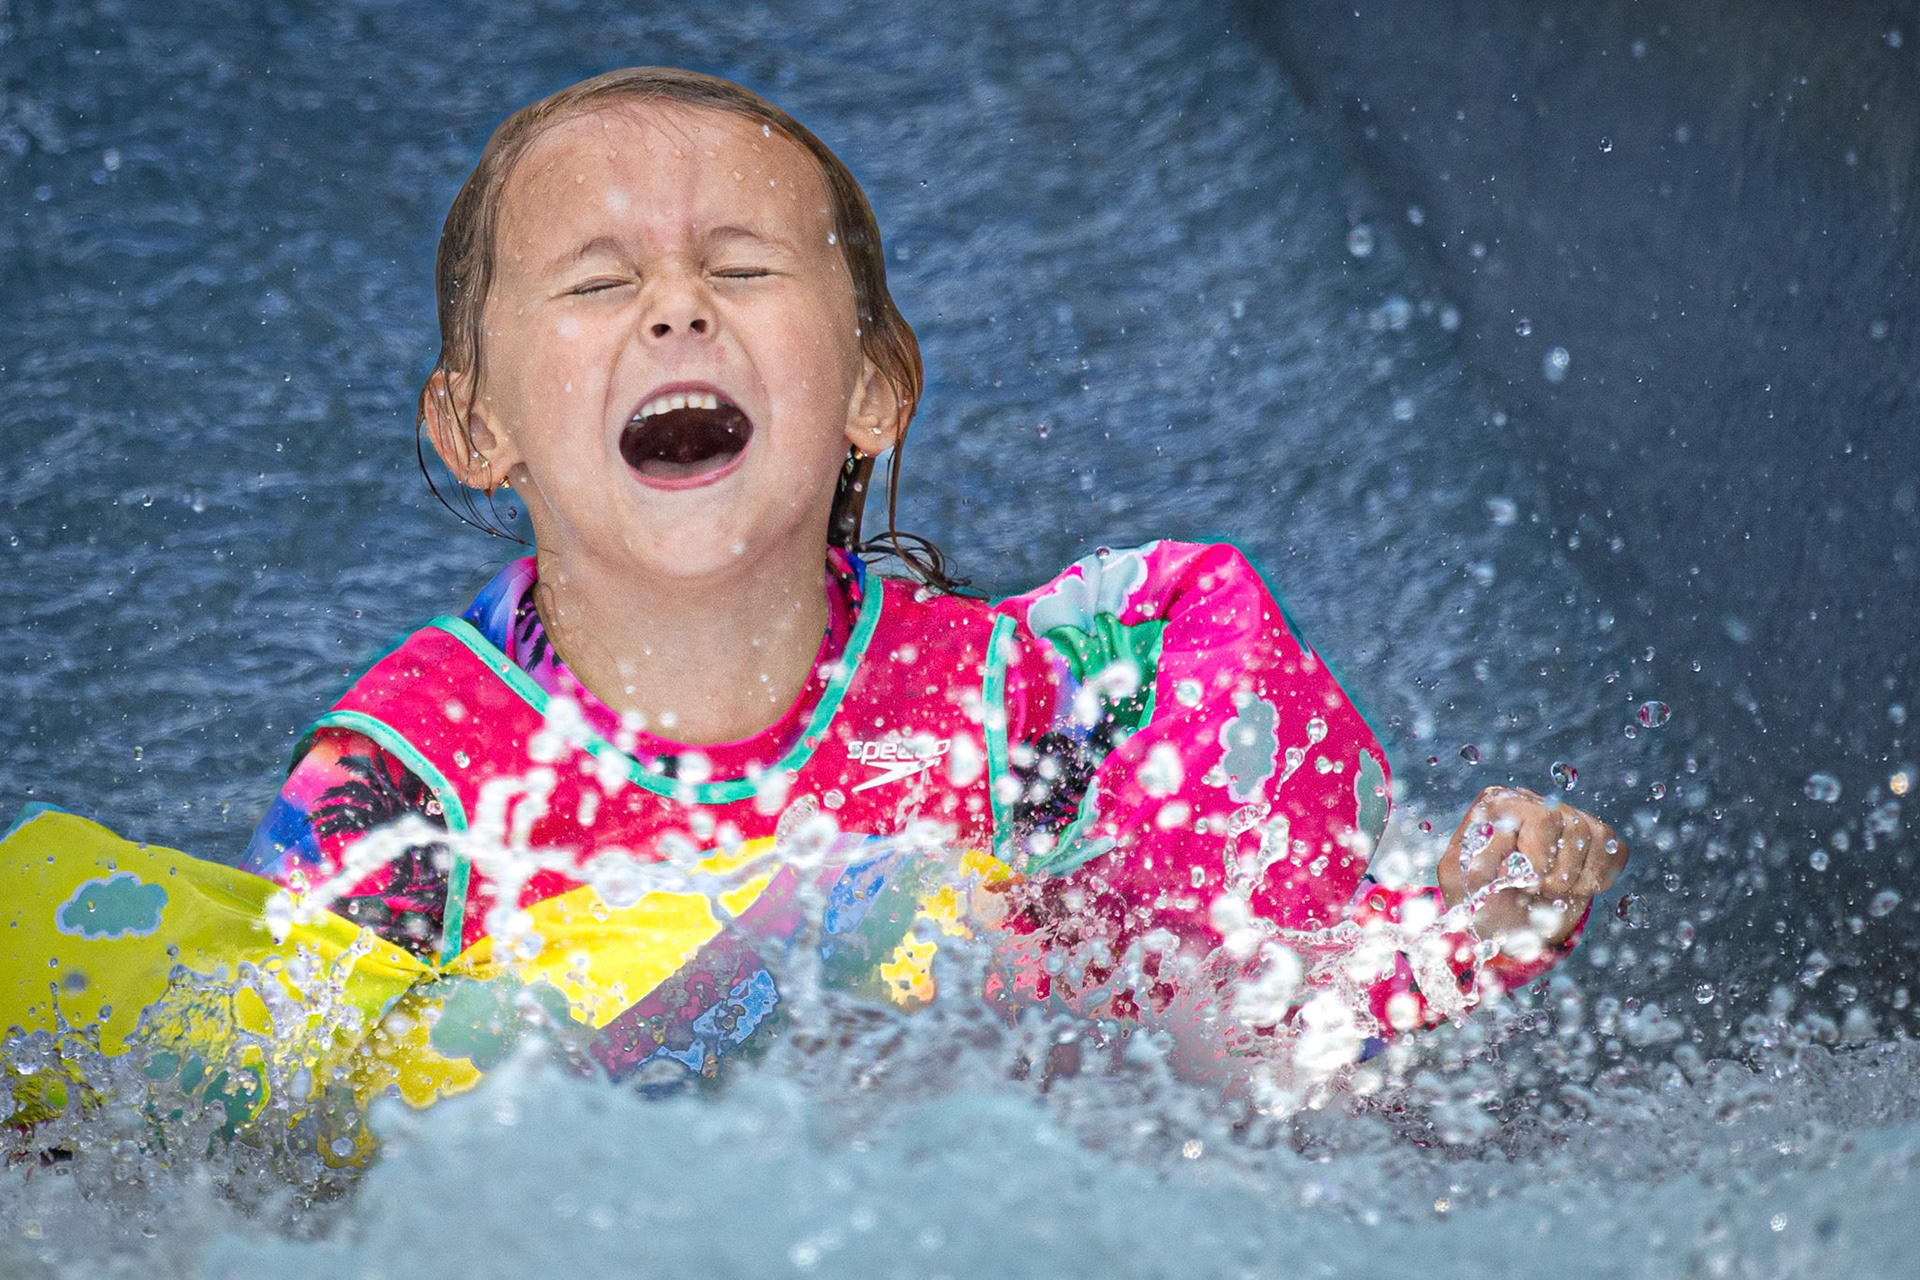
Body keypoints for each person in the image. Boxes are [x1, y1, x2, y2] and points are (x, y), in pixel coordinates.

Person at [238, 68, 1627, 1091]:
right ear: (477, 428)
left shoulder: (1027, 713)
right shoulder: (409, 788)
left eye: (744, 264)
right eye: (597, 285)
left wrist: (1454, 937)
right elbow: (291, 1155)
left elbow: (1236, 1042)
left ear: (872, 389)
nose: (678, 305)